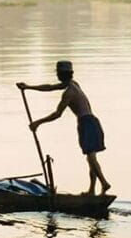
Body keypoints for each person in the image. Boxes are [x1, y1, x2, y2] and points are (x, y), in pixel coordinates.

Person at [18, 60, 112, 195]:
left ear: (61, 74)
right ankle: (92, 190)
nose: (57, 76)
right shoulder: (74, 84)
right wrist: (28, 87)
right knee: (91, 158)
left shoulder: (69, 92)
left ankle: (104, 183)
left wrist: (37, 123)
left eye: (58, 73)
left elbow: (57, 114)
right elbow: (50, 87)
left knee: (91, 158)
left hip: (87, 123)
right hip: (91, 122)